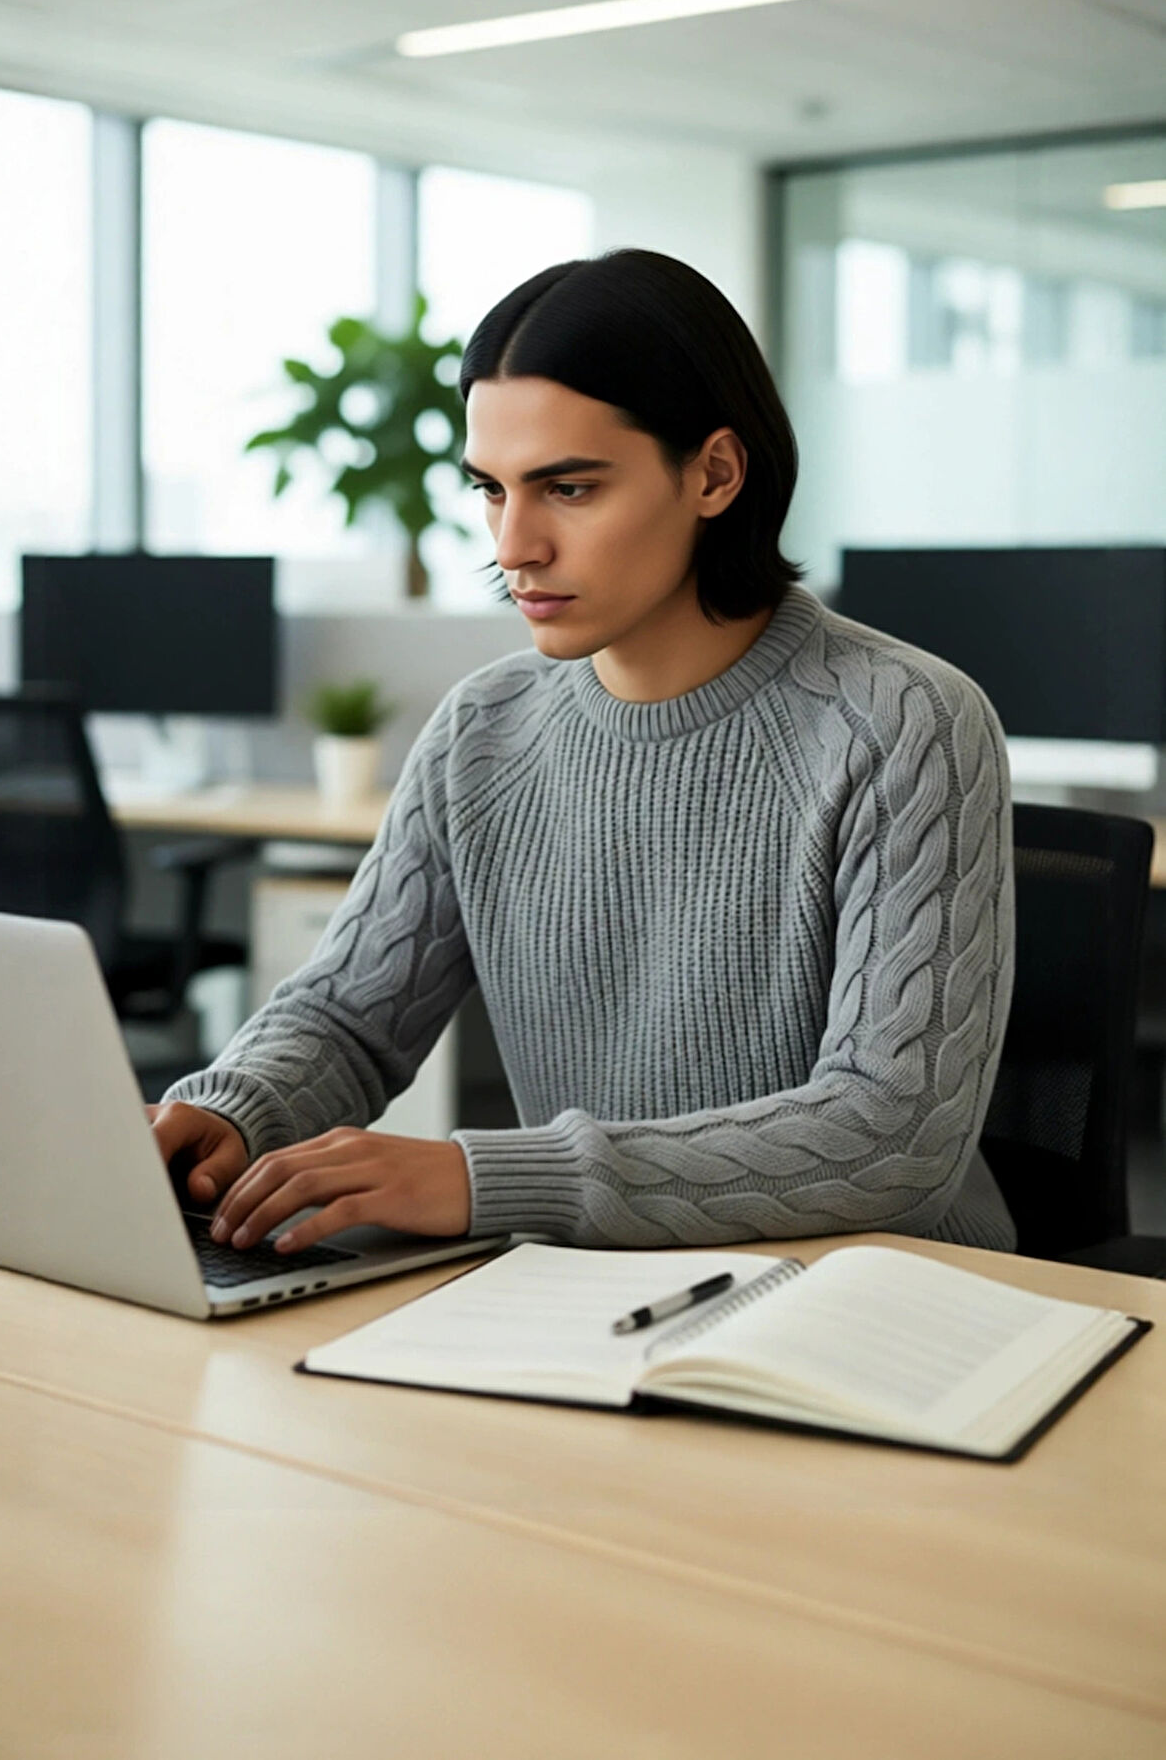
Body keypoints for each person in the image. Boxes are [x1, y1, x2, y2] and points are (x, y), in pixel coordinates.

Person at [151, 247, 1017, 1258]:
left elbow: (894, 1136)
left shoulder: (904, 721)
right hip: (590, 1293)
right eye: (491, 489)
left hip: (880, 1293)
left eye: (567, 488)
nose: (512, 545)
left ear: (715, 474)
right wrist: (234, 1107)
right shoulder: (483, 728)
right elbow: (348, 1016)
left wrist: (489, 1179)